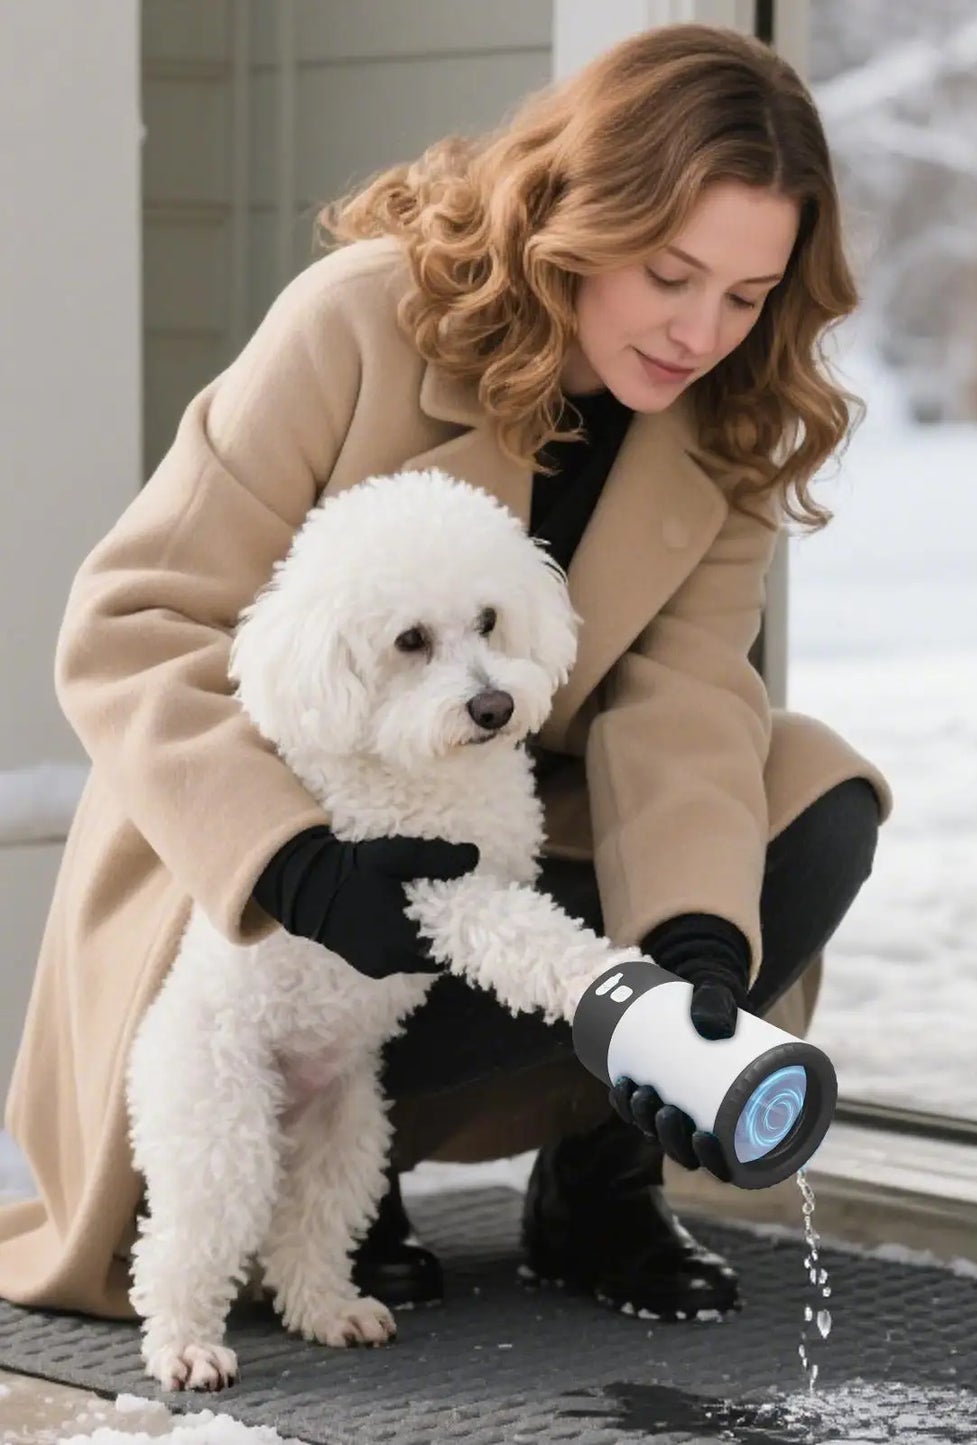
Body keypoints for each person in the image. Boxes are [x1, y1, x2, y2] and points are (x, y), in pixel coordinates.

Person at [0, 23, 889, 1326]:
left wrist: (693, 946)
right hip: (277, 870)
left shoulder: (726, 420)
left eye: (747, 296)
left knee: (808, 792)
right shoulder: (358, 319)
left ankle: (601, 1178)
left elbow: (684, 697)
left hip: (499, 840)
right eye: (668, 272)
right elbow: (135, 623)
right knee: (365, 910)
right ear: (576, 213)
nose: (703, 330)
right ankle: (350, 1192)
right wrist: (295, 858)